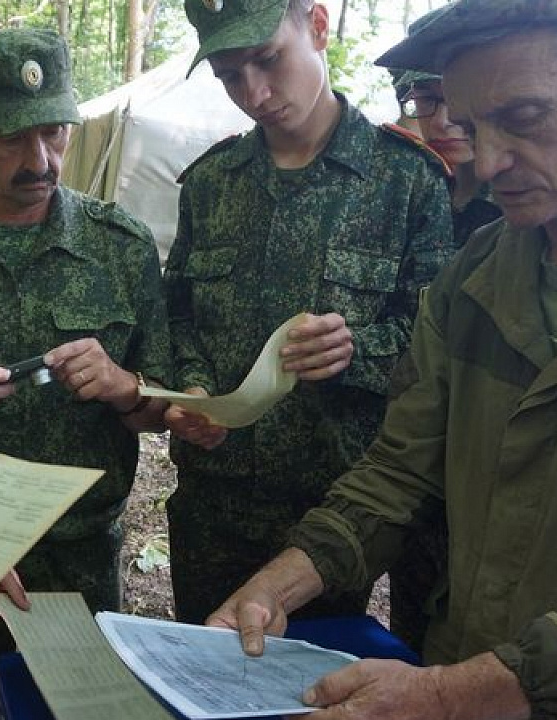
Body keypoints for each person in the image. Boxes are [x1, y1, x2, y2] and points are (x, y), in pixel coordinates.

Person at [209, 1, 557, 717]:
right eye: (468, 125)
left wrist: (456, 695)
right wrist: (284, 580)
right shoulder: (479, 276)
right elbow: (400, 469)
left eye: (522, 117)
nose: (486, 164)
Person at [0, 27, 172, 719]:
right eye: (13, 139)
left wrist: (123, 385)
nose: (40, 159)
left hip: (78, 565)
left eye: (54, 133)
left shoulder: (121, 249)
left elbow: (166, 406)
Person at [162, 0, 454, 625]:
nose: (255, 92)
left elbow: (437, 345)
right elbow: (180, 313)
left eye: (268, 60)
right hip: (213, 507)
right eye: (230, 76)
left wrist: (358, 349)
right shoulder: (212, 183)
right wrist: (193, 388)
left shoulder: (407, 182)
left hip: (331, 518)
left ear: (318, 27)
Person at [382, 7, 506, 653]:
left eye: (455, 98)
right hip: (420, 489)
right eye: (425, 97)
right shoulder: (406, 195)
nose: (444, 119)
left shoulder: (531, 212)